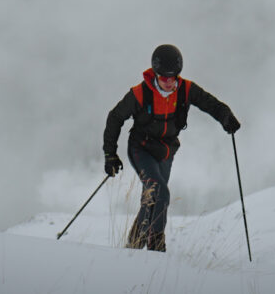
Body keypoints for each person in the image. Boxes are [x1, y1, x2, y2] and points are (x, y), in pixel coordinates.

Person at [102, 44, 241, 252]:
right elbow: (115, 117)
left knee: (151, 199)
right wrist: (110, 154)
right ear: (155, 74)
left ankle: (133, 246)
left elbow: (210, 103)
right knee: (160, 192)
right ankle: (156, 246)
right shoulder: (140, 93)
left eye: (172, 77)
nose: (168, 82)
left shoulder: (186, 89)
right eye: (163, 77)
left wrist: (226, 117)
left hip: (166, 152)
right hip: (141, 149)